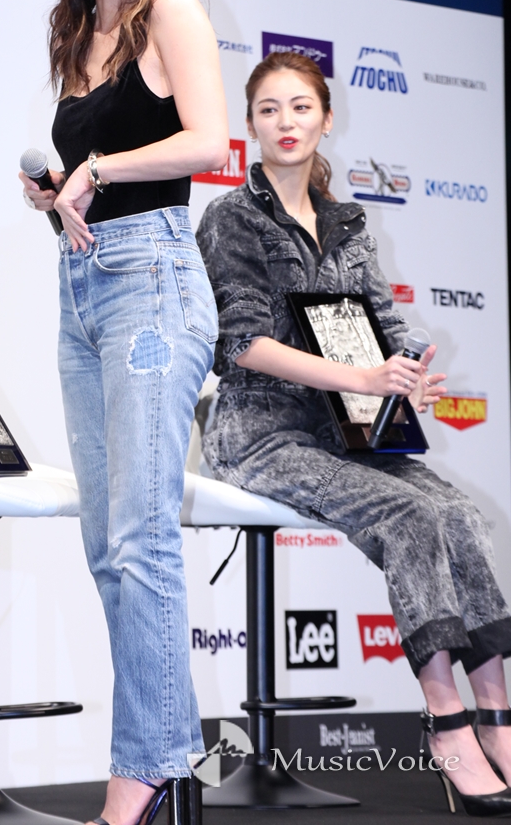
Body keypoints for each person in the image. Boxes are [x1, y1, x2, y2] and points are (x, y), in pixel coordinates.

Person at [196, 49, 511, 816]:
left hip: (349, 427)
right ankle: (446, 726)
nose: (286, 121)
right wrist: (363, 378)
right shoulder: (231, 218)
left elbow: (380, 322)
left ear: (326, 119)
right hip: (260, 433)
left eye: (300, 107)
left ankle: (498, 718)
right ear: (250, 126)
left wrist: (406, 374)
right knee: (409, 514)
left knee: (460, 514)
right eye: (269, 109)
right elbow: (240, 344)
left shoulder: (348, 222)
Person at [19, 0, 229, 825]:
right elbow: (92, 179)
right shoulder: (79, 32)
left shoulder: (169, 11)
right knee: (109, 545)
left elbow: (207, 143)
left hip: (152, 283)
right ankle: (166, 758)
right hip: (85, 287)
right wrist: (55, 194)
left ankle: (136, 776)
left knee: (141, 539)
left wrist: (96, 167)